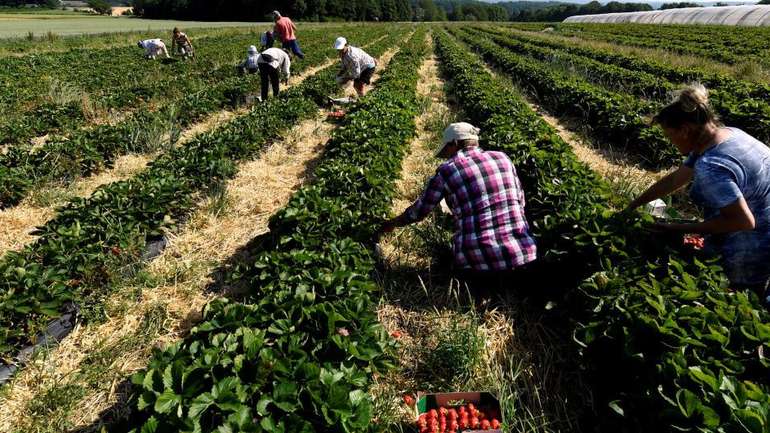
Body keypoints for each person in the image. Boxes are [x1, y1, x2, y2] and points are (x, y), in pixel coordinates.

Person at [626, 84, 770, 300]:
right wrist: (634, 204)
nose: (670, 141)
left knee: (745, 303)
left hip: (752, 247)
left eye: (669, 135)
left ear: (684, 130)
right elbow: (676, 178)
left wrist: (681, 228)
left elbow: (743, 222)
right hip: (765, 227)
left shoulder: (711, 166)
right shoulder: (729, 134)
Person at [380, 123, 538, 299]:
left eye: (445, 150)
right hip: (523, 252)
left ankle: (483, 293)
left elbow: (419, 212)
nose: (445, 156)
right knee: (507, 288)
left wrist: (391, 223)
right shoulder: (503, 158)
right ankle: (510, 289)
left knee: (464, 276)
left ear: (454, 144)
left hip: (478, 259)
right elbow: (520, 201)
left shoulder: (448, 170)